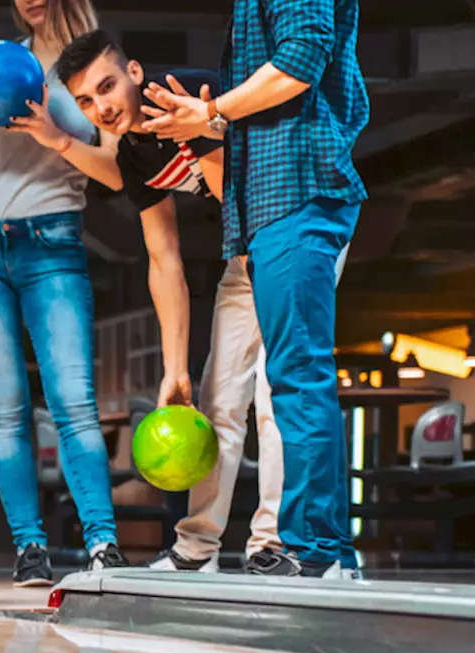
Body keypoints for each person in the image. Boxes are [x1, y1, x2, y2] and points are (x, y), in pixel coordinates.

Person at [55, 31, 357, 579]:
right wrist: (174, 371)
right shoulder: (134, 150)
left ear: (135, 72)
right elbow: (164, 259)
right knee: (218, 397)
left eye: (107, 87)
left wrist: (199, 133)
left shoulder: (190, 92)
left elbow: (235, 195)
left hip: (297, 232)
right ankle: (198, 548)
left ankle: (274, 543)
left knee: (274, 397)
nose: (102, 107)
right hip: (245, 254)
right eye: (86, 102)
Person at [139, 0, 368, 578]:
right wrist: (214, 120)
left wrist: (211, 111)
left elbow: (300, 60)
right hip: (272, 208)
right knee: (291, 378)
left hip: (300, 191)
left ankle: (316, 551)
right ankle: (321, 549)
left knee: (296, 376)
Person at [0, 0, 129, 588]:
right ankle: (30, 549)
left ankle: (102, 543)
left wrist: (55, 135)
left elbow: (114, 173)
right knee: (7, 409)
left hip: (53, 245)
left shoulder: (95, 68)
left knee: (74, 402)